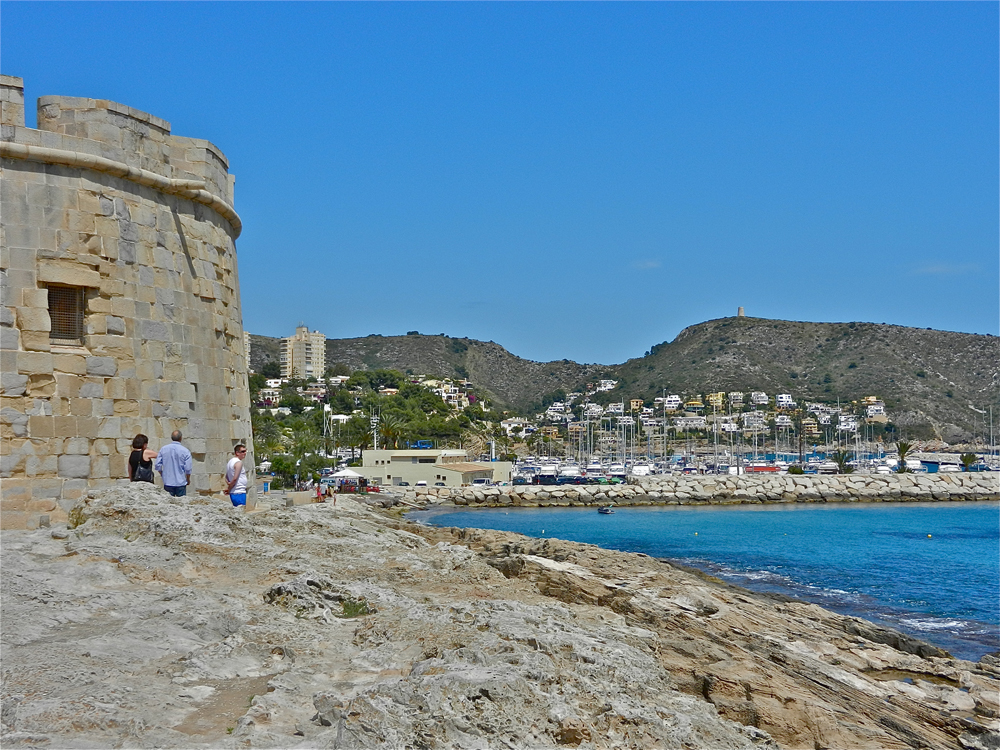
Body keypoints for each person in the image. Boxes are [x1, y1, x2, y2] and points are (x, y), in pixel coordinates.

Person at [155, 430, 193, 497]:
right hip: (180, 482)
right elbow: (188, 468)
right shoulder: (185, 451)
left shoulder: (163, 449)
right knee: (181, 504)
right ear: (181, 438)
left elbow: (158, 465)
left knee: (169, 504)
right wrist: (188, 479)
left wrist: (163, 474)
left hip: (168, 482)